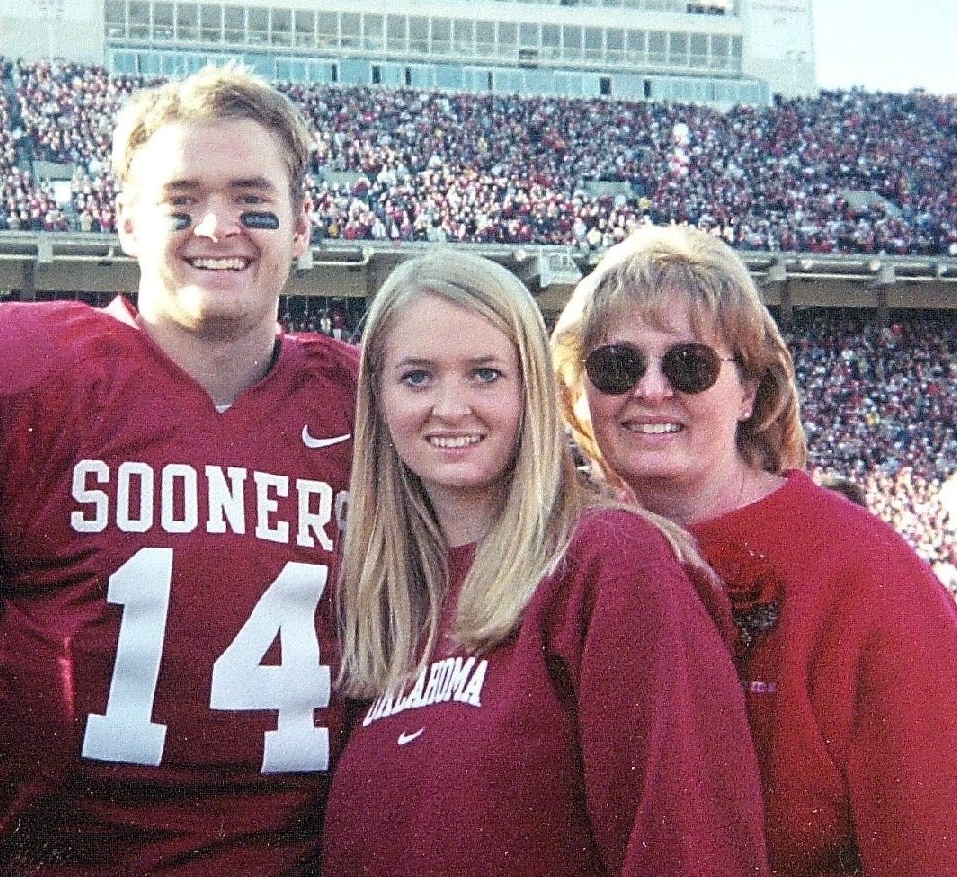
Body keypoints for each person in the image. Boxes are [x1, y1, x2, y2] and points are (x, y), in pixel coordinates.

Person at [0, 64, 357, 875]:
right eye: (181, 201)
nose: (217, 226)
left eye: (252, 200)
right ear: (128, 223)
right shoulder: (12, 383)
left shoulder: (363, 404)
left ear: (302, 228)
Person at [322, 249, 768, 877]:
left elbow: (690, 847)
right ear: (379, 402)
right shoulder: (386, 604)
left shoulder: (611, 564)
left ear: (531, 390)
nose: (450, 407)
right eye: (417, 376)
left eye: (485, 374)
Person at [550, 224, 957, 877]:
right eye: (617, 364)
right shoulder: (561, 561)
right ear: (580, 392)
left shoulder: (861, 571)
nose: (652, 389)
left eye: (690, 364)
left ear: (747, 391)